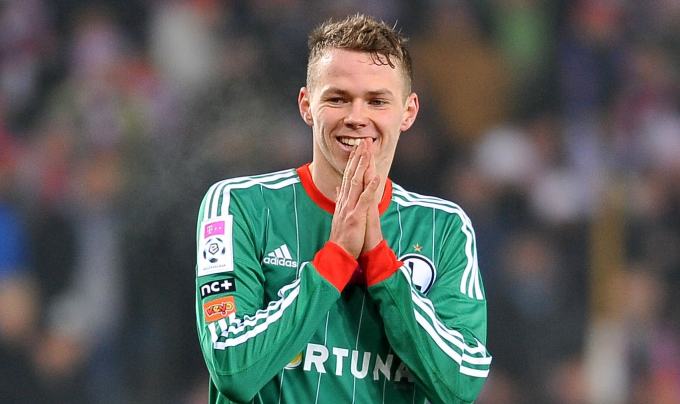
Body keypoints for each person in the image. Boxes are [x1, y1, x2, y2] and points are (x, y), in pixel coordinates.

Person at [195, 14, 491, 404]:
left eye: (377, 101)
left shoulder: (443, 227)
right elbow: (232, 367)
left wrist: (381, 265)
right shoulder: (239, 206)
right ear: (307, 105)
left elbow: (461, 384)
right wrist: (334, 260)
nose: (356, 117)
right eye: (337, 99)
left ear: (408, 112)